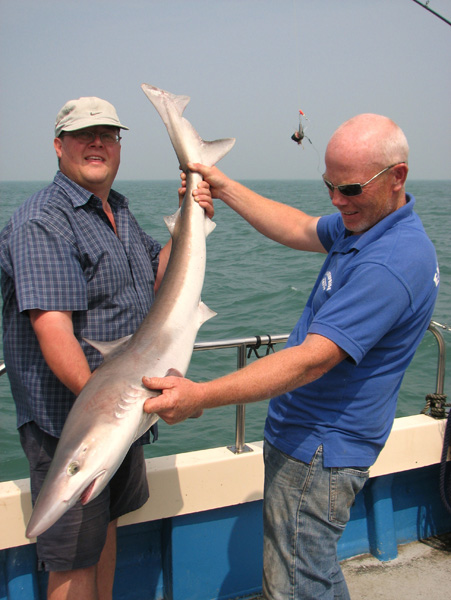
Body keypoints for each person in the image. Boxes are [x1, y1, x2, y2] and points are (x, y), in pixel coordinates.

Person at [142, 113, 440, 599]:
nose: (336, 201)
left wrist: (200, 396)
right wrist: (223, 186)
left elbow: (310, 360)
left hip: (321, 451)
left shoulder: (393, 259)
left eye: (349, 188)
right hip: (308, 438)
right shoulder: (365, 224)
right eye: (329, 186)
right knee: (307, 576)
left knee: (297, 586)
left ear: (397, 177)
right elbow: (298, 226)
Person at [0, 96, 212, 600]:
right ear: (58, 146)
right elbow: (54, 333)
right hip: (72, 424)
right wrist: (114, 410)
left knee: (107, 528)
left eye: (108, 135)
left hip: (125, 416)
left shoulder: (115, 209)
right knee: (72, 561)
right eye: (82, 135)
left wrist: (193, 219)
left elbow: (162, 281)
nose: (97, 144)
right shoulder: (42, 222)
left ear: (118, 147)